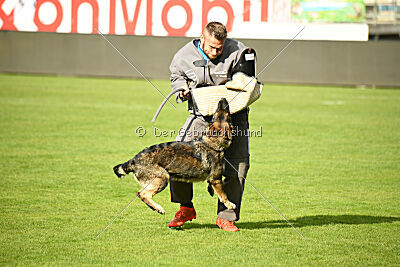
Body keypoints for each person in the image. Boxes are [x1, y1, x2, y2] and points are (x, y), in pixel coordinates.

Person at [168, 22, 253, 232]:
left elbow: (248, 79)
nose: (216, 51)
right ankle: (186, 207)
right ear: (202, 38)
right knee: (176, 156)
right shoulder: (183, 55)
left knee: (238, 165)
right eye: (211, 47)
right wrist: (182, 89)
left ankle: (226, 216)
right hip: (201, 115)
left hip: (233, 117)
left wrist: (241, 82)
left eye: (220, 47)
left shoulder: (238, 51)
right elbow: (176, 77)